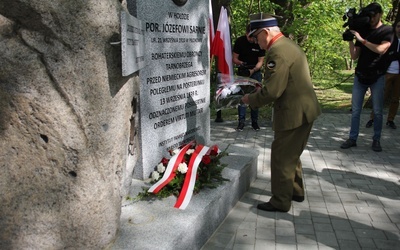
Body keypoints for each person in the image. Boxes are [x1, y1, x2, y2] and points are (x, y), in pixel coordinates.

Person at [241, 13, 321, 212]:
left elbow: (274, 91)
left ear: (266, 32)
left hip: (293, 113)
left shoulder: (277, 51)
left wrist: (249, 99)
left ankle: (280, 201)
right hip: (304, 110)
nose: (256, 42)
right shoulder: (287, 45)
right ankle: (295, 191)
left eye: (256, 37)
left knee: (281, 157)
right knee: (291, 154)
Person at [340, 3, 392, 152]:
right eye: (368, 16)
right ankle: (352, 138)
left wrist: (361, 39)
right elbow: (354, 56)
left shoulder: (387, 31)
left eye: (373, 16)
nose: (370, 19)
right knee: (355, 111)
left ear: (379, 14)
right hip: (360, 75)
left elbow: (381, 50)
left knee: (377, 111)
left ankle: (376, 139)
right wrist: (350, 39)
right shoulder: (364, 30)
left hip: (377, 77)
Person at [365, 20, 400, 130]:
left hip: (399, 73)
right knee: (380, 97)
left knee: (395, 98)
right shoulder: (390, 39)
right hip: (387, 72)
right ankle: (372, 118)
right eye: (398, 26)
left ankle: (390, 120)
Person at [233, 24, 265, 131]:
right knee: (242, 96)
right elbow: (234, 58)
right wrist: (241, 63)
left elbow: (261, 61)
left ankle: (254, 122)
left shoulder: (259, 42)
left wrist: (253, 70)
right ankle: (241, 122)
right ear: (246, 33)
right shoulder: (240, 41)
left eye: (253, 37)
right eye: (249, 37)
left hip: (255, 71)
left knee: (255, 96)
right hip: (243, 72)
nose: (252, 39)